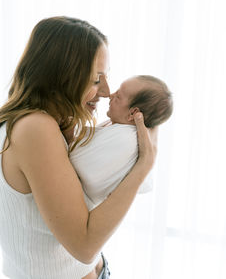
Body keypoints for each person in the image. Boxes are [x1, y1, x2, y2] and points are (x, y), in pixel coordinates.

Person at [0, 16, 158, 279]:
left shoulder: (39, 123)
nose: (107, 91)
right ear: (61, 75)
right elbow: (84, 247)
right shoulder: (35, 128)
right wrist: (143, 166)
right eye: (96, 79)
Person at [70, 75, 173, 211]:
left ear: (133, 113)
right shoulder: (116, 125)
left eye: (118, 96)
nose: (110, 95)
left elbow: (76, 159)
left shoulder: (126, 138)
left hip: (76, 202)